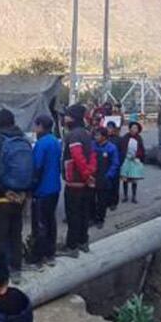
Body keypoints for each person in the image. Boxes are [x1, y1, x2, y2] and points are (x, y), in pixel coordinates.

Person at [0, 109, 29, 279]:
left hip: (0, 197)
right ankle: (16, 268)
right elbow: (28, 167)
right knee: (16, 233)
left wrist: (4, 191)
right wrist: (23, 191)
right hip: (20, 196)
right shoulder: (23, 139)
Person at [58, 105, 96, 256]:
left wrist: (86, 174)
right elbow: (92, 155)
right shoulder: (86, 133)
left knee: (73, 215)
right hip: (85, 182)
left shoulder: (73, 135)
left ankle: (72, 247)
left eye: (66, 115)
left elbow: (77, 157)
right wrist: (91, 174)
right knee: (84, 213)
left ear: (72, 118)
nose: (64, 118)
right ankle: (83, 242)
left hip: (75, 182)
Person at [27, 115, 61, 269]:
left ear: (40, 126)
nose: (34, 129)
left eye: (36, 126)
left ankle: (37, 257)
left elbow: (37, 167)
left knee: (40, 224)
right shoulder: (55, 141)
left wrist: (31, 187)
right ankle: (50, 253)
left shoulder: (41, 144)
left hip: (42, 189)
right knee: (50, 221)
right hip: (55, 187)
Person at [91, 126, 120, 228]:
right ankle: (93, 217)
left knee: (102, 200)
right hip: (93, 177)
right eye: (95, 135)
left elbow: (115, 164)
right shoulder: (93, 145)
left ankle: (100, 219)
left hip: (104, 178)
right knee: (91, 199)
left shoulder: (111, 147)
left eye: (98, 135)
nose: (95, 137)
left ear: (104, 137)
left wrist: (108, 175)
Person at [120, 122, 145, 204]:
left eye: (136, 128)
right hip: (126, 159)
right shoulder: (125, 137)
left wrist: (137, 156)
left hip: (135, 160)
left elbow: (141, 150)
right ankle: (125, 195)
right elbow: (122, 148)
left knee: (134, 179)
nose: (134, 129)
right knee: (125, 178)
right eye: (133, 127)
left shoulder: (139, 138)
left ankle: (134, 196)